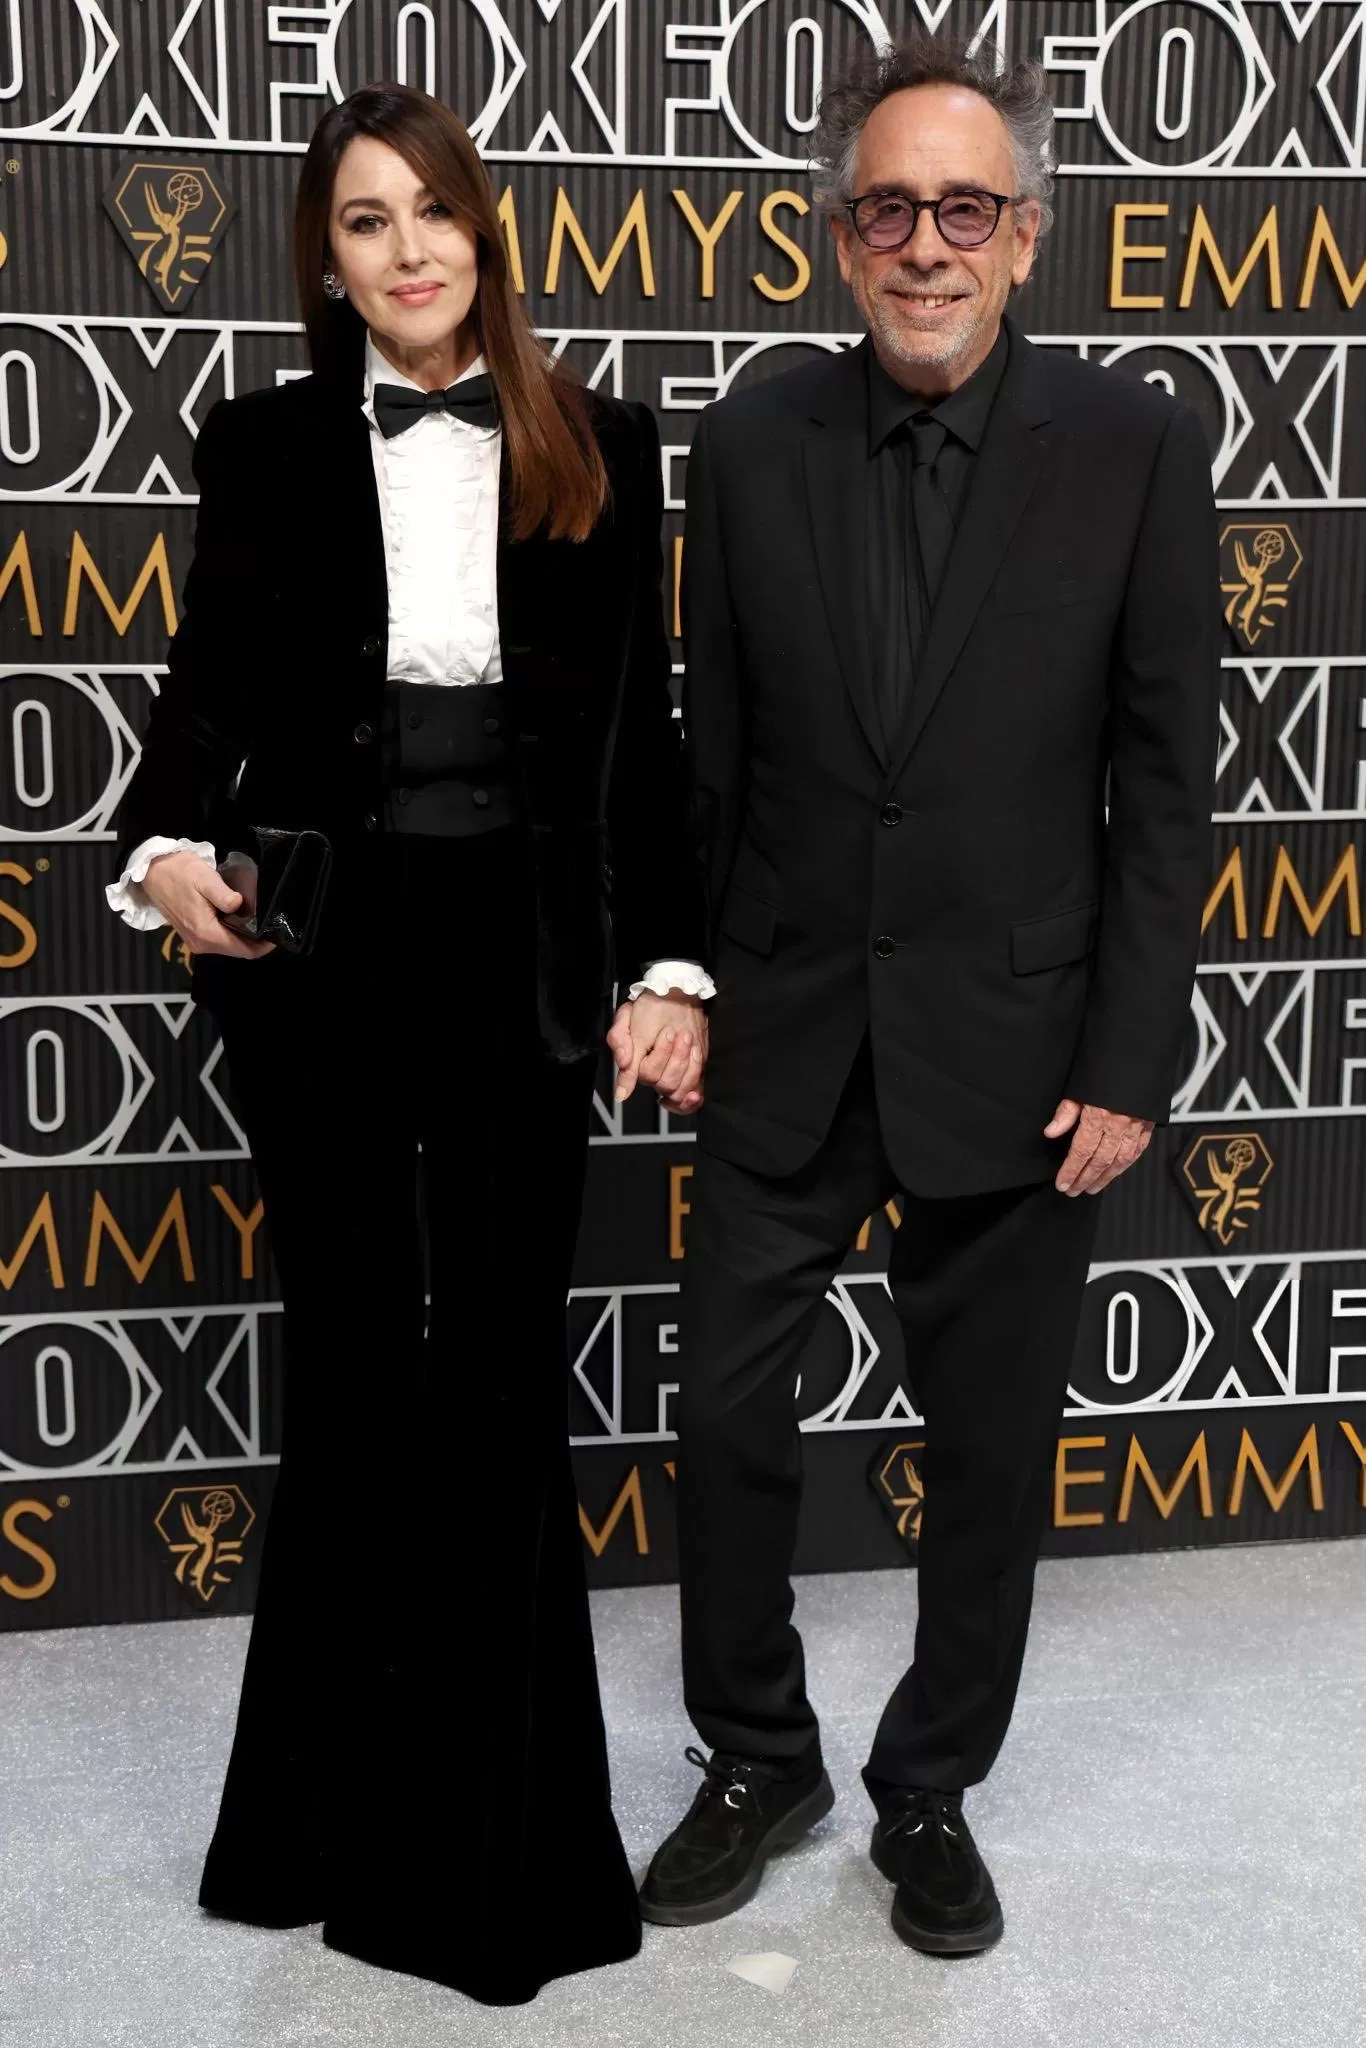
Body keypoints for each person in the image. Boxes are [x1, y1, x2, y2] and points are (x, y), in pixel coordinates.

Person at [107, 82, 710, 2006]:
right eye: (365, 220)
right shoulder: (263, 441)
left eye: (432, 209)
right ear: (327, 258)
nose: (406, 247)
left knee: (506, 1378)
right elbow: (203, 697)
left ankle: (505, 1864)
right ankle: (309, 1834)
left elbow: (639, 741)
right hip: (325, 954)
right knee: (359, 1369)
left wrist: (669, 966)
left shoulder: (601, 440)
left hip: (525, 956)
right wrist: (161, 850)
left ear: (483, 231)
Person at [635, 35, 1218, 1956]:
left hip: (1022, 1052)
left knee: (982, 1463)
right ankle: (758, 1757)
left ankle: (929, 1787)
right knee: (724, 1417)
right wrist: (687, 975)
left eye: (964, 208)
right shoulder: (750, 440)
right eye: (886, 208)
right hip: (786, 1033)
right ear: (838, 236)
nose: (924, 244)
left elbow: (1163, 787)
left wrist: (1129, 1054)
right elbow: (710, 762)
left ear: (1025, 235)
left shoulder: (1132, 446)